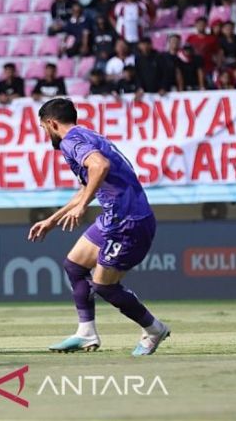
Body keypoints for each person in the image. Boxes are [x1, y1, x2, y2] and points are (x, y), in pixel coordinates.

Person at [29, 98, 169, 356]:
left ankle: (153, 329)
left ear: (51, 123)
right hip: (113, 217)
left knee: (104, 285)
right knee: (74, 265)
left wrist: (82, 207)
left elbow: (100, 166)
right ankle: (86, 333)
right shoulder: (88, 135)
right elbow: (90, 184)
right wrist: (52, 219)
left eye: (43, 127)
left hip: (127, 221)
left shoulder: (71, 141)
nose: (44, 133)